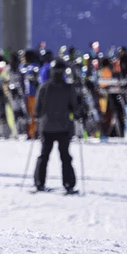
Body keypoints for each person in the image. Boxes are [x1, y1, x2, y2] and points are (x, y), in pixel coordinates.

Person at [33, 59, 78, 193]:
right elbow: (74, 108)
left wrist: (38, 117)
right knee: (65, 156)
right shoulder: (69, 88)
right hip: (64, 127)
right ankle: (69, 184)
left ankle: (39, 182)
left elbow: (37, 110)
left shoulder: (44, 87)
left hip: (47, 127)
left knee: (44, 155)